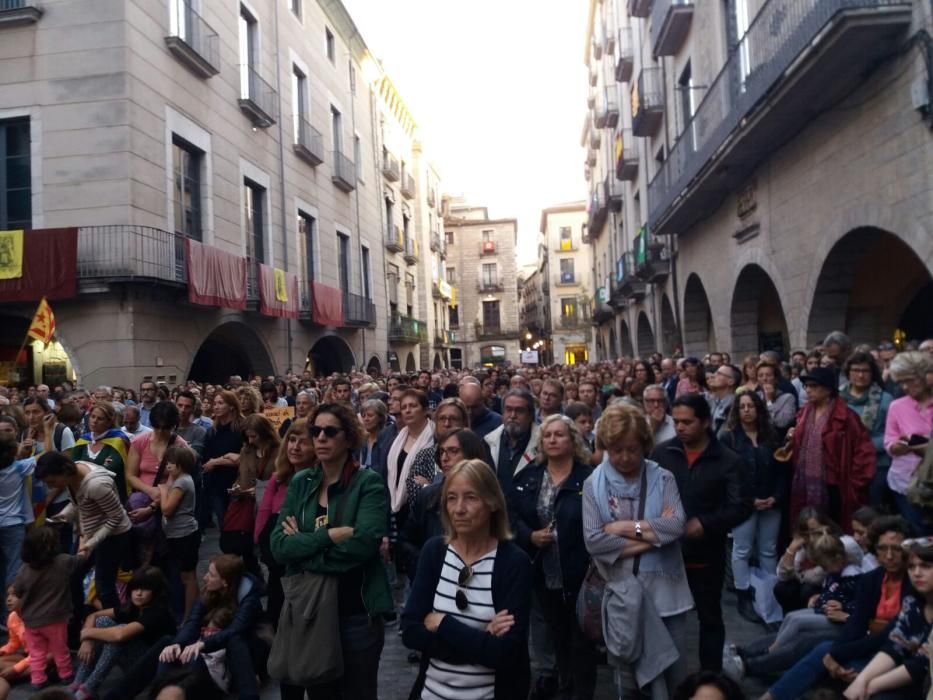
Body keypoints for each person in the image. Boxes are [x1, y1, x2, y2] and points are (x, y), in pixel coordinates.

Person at [271, 402, 391, 700]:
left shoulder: (368, 483)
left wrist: (305, 545)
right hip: (311, 611)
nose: (321, 438)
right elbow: (278, 547)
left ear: (348, 438)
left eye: (330, 431)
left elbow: (362, 546)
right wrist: (329, 536)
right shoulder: (302, 482)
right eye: (316, 431)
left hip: (355, 613)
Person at [583, 403, 693, 695]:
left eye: (632, 449)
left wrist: (623, 528)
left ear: (644, 445)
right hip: (624, 595)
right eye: (617, 449)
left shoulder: (663, 478)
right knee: (630, 678)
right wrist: (652, 533)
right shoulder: (594, 484)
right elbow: (594, 541)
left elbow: (676, 526)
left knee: (674, 676)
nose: (625, 457)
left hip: (667, 594)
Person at [402, 459, 533, 699]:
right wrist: (481, 638)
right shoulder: (434, 552)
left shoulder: (514, 563)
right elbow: (410, 631)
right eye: (451, 498)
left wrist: (443, 624)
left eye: (471, 497)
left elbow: (506, 653)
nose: (459, 509)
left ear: (492, 502)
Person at [650, 394, 752, 672]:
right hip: (665, 553)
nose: (680, 427)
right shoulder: (662, 454)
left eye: (688, 422)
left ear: (705, 422)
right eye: (677, 422)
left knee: (709, 617)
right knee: (663, 618)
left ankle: (710, 678)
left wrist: (705, 524)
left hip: (705, 554)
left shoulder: (728, 461)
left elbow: (740, 506)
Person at [761, 516, 913, 700]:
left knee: (820, 646)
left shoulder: (916, 583)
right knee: (820, 648)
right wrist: (833, 656)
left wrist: (837, 654)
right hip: (868, 648)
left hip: (898, 658)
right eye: (882, 548)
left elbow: (889, 634)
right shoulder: (872, 579)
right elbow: (857, 623)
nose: (889, 556)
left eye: (896, 549)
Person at [510, 415, 596, 699]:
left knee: (581, 638)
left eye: (560, 435)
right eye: (548, 436)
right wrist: (530, 536)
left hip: (580, 570)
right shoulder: (529, 476)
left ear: (572, 439)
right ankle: (560, 681)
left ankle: (580, 689)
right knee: (555, 631)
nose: (553, 440)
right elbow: (512, 515)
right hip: (542, 569)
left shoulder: (588, 477)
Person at [726, 531, 864, 681]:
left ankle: (765, 656)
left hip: (844, 624)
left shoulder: (854, 576)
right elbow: (831, 593)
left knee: (801, 633)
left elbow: (859, 605)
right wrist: (820, 600)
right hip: (829, 613)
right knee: (792, 619)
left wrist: (845, 612)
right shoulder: (837, 573)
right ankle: (747, 651)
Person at [157, 554, 266, 700]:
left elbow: (235, 630)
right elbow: (192, 622)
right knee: (168, 647)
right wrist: (178, 643)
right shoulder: (209, 592)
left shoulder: (249, 599)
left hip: (244, 652)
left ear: (225, 582)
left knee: (233, 640)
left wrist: (202, 644)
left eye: (211, 575)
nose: (205, 577)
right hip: (211, 653)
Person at [719, 391, 785, 624]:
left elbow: (782, 470)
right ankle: (743, 594)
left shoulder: (772, 436)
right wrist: (749, 500)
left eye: (751, 406)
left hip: (771, 502)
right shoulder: (729, 438)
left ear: (759, 409)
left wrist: (775, 497)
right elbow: (728, 477)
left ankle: (769, 595)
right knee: (742, 549)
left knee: (768, 549)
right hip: (743, 505)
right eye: (742, 406)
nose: (746, 410)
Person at [36, 452, 132, 612]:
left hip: (113, 536)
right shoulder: (74, 473)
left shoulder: (96, 485)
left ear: (64, 472)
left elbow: (117, 517)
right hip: (89, 534)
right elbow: (79, 503)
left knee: (104, 586)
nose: (51, 487)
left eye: (52, 481)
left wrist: (91, 543)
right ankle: (78, 618)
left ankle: (116, 625)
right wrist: (63, 516)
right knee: (72, 575)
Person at [839, 537, 933, 699]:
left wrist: (870, 686)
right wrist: (861, 681)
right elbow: (896, 644)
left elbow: (921, 664)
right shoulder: (914, 602)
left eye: (926, 566)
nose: (917, 573)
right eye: (911, 567)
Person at [789, 366, 876, 529]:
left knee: (835, 529)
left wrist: (856, 484)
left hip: (835, 485)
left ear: (828, 389)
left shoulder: (846, 417)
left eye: (813, 386)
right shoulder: (804, 413)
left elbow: (863, 452)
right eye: (806, 386)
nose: (808, 390)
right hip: (805, 482)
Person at [71, 566, 175, 700]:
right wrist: (87, 640)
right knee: (103, 621)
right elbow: (94, 616)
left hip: (152, 666)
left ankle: (90, 687)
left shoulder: (157, 612)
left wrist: (86, 633)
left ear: (156, 592)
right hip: (133, 659)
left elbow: (120, 635)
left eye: (145, 589)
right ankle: (78, 682)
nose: (138, 593)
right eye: (135, 588)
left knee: (119, 633)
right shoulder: (133, 607)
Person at [399, 429, 489, 579]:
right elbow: (406, 541)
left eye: (453, 451)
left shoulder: (489, 497)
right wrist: (425, 564)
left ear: (471, 454)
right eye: (441, 452)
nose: (444, 458)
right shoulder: (428, 496)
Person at [254, 419, 313, 628]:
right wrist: (260, 540)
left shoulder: (317, 479)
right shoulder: (279, 477)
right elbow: (264, 512)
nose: (295, 447)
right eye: (292, 440)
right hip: (275, 553)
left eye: (302, 442)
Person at [13, 526, 83, 690]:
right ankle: (66, 675)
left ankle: (38, 679)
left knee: (36, 653)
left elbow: (16, 591)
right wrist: (85, 539)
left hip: (31, 621)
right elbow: (81, 558)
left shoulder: (24, 570)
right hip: (56, 619)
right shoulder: (63, 561)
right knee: (60, 649)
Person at [220, 414, 279, 577]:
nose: (251, 440)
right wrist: (237, 488)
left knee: (266, 544)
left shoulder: (279, 452)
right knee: (244, 546)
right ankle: (254, 577)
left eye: (254, 436)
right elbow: (241, 475)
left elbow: (281, 479)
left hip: (268, 505)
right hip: (245, 504)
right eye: (248, 436)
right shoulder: (246, 450)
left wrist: (260, 491)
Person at [885, 352, 933, 535]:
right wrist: (900, 446)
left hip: (930, 478)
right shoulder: (897, 406)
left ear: (924, 377)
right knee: (916, 532)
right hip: (905, 482)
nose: (905, 387)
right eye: (900, 382)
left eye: (910, 380)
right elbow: (890, 443)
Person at [841, 352, 895, 511]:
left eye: (865, 371)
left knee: (874, 509)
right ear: (848, 373)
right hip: (846, 464)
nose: (860, 375)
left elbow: (892, 433)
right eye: (856, 370)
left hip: (877, 465)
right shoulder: (837, 398)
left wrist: (865, 445)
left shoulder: (885, 399)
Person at [403, 398, 468, 525]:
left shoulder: (472, 453)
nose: (447, 424)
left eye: (453, 419)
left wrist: (428, 486)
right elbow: (415, 495)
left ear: (464, 423)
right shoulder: (424, 455)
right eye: (442, 419)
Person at [158, 445, 201, 621]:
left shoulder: (182, 482)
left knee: (187, 576)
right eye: (167, 462)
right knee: (183, 574)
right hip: (176, 534)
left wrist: (162, 492)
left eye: (172, 463)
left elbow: (167, 509)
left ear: (181, 464)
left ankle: (189, 615)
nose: (168, 466)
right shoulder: (178, 478)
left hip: (184, 534)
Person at [200, 391, 244, 531]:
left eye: (220, 403)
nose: (216, 407)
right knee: (223, 524)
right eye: (215, 404)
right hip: (217, 485)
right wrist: (219, 460)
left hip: (238, 483)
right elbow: (206, 459)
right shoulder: (212, 431)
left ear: (231, 406)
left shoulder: (242, 428)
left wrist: (217, 461)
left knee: (238, 524)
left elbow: (244, 458)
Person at [485, 389, 541, 493]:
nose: (513, 416)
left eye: (519, 411)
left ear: (530, 416)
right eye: (508, 410)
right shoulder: (488, 443)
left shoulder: (543, 444)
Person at [72, 401, 130, 500]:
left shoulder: (118, 440)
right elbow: (73, 468)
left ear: (109, 422)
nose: (94, 421)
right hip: (84, 496)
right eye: (93, 416)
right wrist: (100, 465)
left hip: (111, 496)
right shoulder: (83, 441)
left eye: (100, 419)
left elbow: (109, 470)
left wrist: (84, 468)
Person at [0, 434, 35, 587]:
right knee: (14, 569)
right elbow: (47, 453)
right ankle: (12, 607)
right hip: (14, 524)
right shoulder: (19, 468)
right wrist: (48, 432)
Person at [0, 585, 31, 687]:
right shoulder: (12, 617)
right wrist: (2, 651)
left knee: (7, 672)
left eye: (14, 595)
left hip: (44, 656)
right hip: (29, 655)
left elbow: (40, 653)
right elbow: (14, 642)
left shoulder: (36, 617)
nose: (8, 599)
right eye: (8, 595)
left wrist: (16, 669)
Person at [756, 360, 796, 438]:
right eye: (760, 375)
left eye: (768, 375)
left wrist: (769, 401)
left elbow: (782, 423)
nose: (764, 378)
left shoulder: (788, 398)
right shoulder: (755, 397)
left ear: (775, 378)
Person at [174, 391, 207, 459]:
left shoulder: (199, 431)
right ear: (175, 405)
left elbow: (194, 456)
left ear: (193, 409)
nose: (183, 410)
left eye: (187, 407)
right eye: (180, 405)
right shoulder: (165, 429)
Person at [706, 365, 737, 435]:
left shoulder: (736, 405)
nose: (713, 376)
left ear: (731, 381)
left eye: (719, 374)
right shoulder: (711, 402)